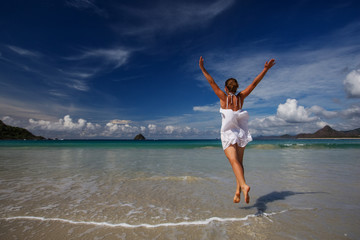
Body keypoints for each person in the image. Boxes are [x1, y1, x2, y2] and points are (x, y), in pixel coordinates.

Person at [199, 56, 275, 204]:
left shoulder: (223, 97)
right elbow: (254, 83)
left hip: (228, 133)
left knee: (233, 161)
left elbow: (211, 82)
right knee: (239, 163)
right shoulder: (241, 97)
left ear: (226, 88)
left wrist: (202, 68)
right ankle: (237, 191)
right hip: (241, 133)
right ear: (237, 88)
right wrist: (265, 69)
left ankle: (244, 186)